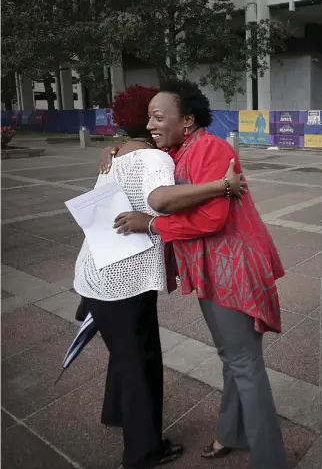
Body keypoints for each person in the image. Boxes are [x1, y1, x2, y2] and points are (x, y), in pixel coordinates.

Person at [103, 79, 288, 469]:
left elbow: (211, 217)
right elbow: (137, 148)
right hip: (213, 270)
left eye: (158, 117)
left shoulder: (209, 147)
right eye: (147, 118)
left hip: (233, 269)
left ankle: (269, 459)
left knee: (245, 364)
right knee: (233, 357)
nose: (150, 124)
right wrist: (115, 149)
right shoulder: (178, 151)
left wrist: (150, 225)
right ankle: (232, 433)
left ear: (186, 121)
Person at [74, 92, 246, 469]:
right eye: (151, 117)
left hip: (94, 272)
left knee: (123, 352)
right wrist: (222, 185)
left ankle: (116, 412)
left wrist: (115, 147)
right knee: (141, 361)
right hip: (125, 277)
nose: (155, 125)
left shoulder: (116, 156)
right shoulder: (152, 157)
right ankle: (143, 452)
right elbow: (162, 199)